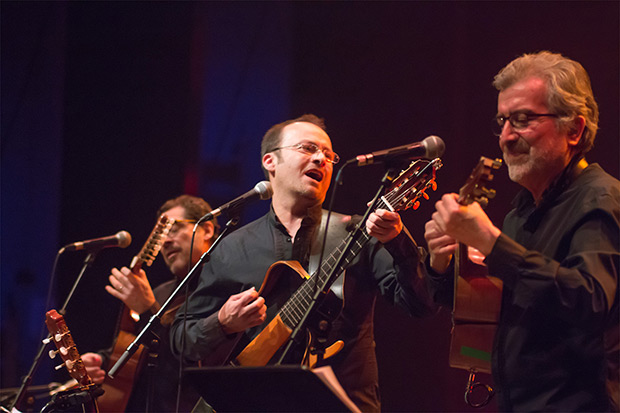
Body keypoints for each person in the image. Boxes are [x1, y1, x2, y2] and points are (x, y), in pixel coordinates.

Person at [170, 114, 435, 412]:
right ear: (270, 161)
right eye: (308, 148)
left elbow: (420, 304)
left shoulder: (359, 233)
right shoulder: (232, 247)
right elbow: (183, 340)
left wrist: (399, 241)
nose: (322, 158)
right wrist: (222, 323)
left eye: (329, 155)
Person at [424, 51, 619, 411]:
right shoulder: (523, 210)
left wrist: (491, 242)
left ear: (574, 129)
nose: (506, 137)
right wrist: (441, 263)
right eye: (502, 121)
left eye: (523, 119)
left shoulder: (601, 198)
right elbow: (490, 306)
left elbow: (590, 301)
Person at [82, 195, 219, 412]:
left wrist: (148, 309)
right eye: (162, 234)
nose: (165, 241)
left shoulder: (221, 287)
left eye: (173, 229)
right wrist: (101, 360)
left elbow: (191, 357)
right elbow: (138, 351)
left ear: (207, 230)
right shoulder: (160, 292)